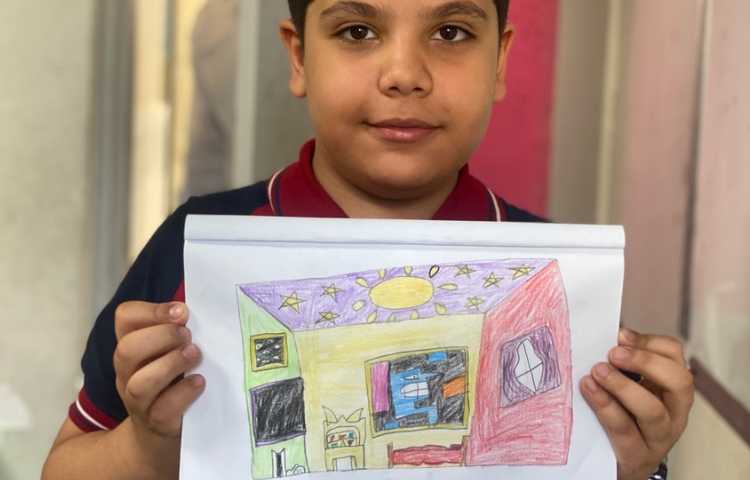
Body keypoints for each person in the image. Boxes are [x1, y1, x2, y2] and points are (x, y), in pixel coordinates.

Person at [42, 1, 693, 479]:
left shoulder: (554, 283)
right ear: (299, 55)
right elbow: (66, 466)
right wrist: (152, 447)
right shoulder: (193, 253)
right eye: (357, 31)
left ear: (499, 60)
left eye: (451, 32)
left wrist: (634, 464)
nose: (404, 74)